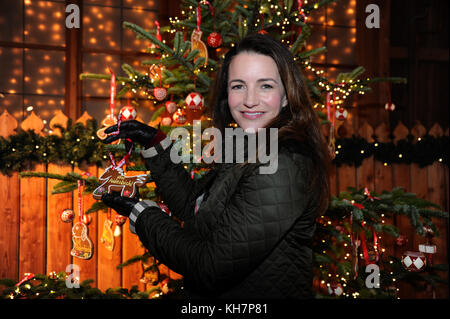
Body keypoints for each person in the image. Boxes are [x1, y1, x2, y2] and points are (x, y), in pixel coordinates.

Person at [101, 33, 331, 299]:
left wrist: (142, 215)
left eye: (265, 86)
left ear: (286, 96)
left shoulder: (283, 164)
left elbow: (209, 267)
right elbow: (194, 205)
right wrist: (155, 143)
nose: (250, 99)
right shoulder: (249, 145)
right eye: (238, 86)